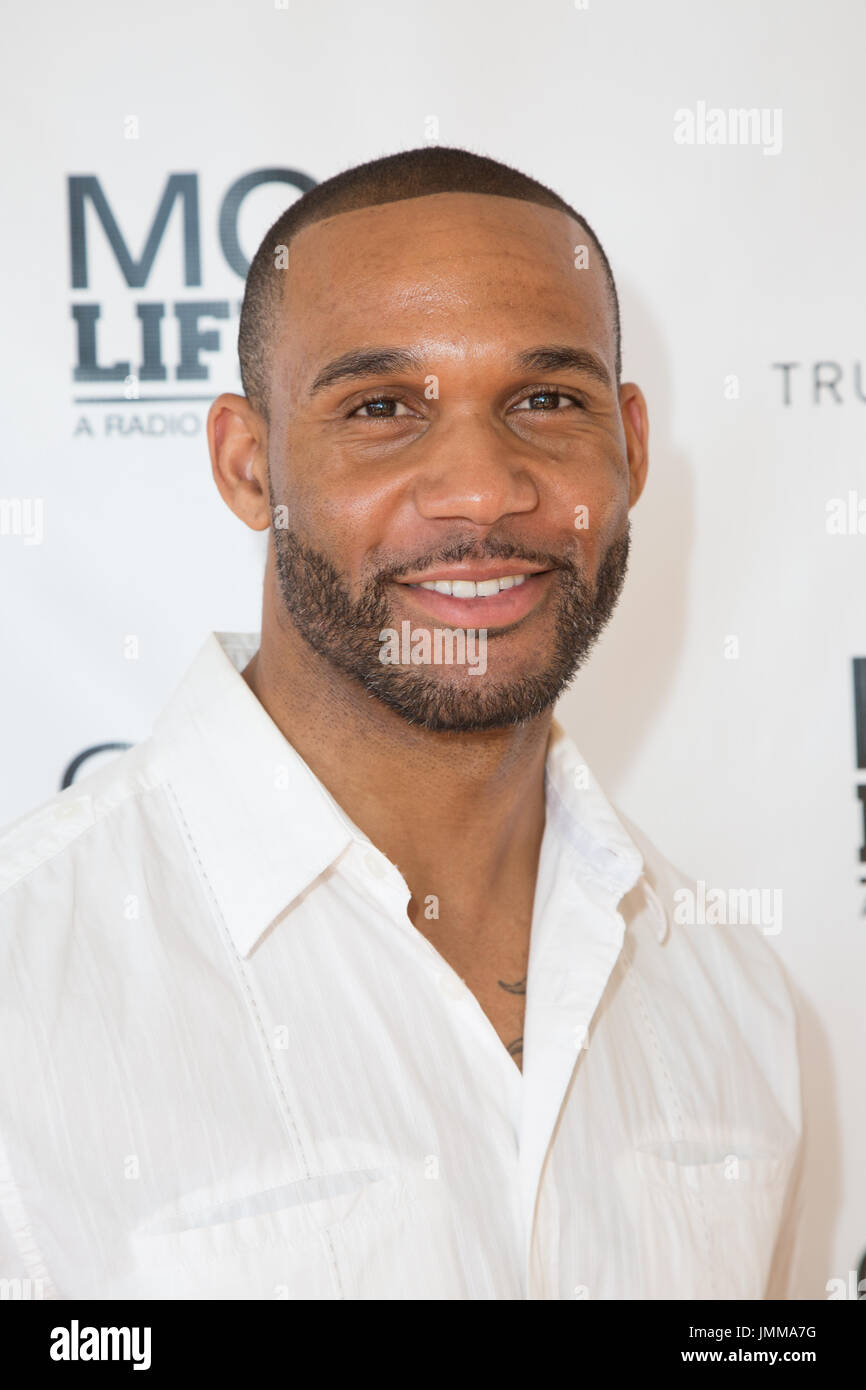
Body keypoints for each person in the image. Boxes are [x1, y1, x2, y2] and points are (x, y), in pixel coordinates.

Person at [0, 146, 802, 1299]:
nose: (481, 488)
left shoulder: (728, 998)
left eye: (543, 400)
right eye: (381, 407)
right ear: (247, 463)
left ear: (626, 446)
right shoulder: (27, 985)